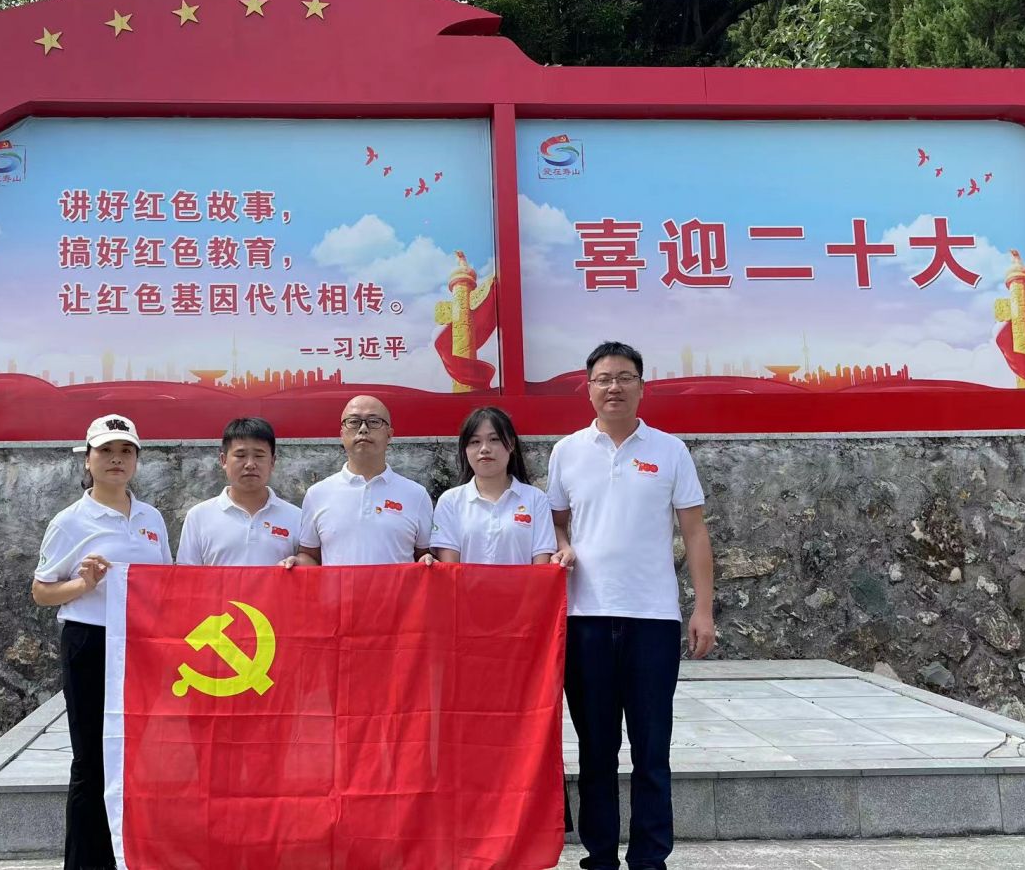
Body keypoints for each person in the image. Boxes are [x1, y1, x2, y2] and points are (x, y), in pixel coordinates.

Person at [547, 342, 715, 870]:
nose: (613, 387)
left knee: (651, 750)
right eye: (603, 378)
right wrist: (564, 546)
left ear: (642, 386)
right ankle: (599, 857)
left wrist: (703, 609)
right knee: (595, 752)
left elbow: (695, 531)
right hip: (586, 620)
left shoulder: (670, 451)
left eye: (624, 377)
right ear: (588, 388)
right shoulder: (567, 452)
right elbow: (555, 522)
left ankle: (649, 859)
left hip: (653, 620)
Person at [31, 414, 170, 870]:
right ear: (87, 459)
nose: (116, 459)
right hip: (91, 642)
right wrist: (83, 585)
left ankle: (136, 855)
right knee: (91, 759)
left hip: (141, 645)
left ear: (136, 460)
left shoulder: (151, 519)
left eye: (126, 451)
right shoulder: (71, 521)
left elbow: (167, 583)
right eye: (106, 451)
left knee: (139, 756)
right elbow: (41, 591)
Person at [289, 395, 434, 567]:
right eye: (354, 422)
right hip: (338, 587)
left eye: (374, 422)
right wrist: (297, 563)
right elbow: (310, 555)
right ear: (342, 434)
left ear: (389, 435)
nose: (363, 429)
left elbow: (424, 555)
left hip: (397, 587)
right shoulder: (317, 494)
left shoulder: (416, 495)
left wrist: (428, 561)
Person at [431, 406, 555, 566]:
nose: (484, 449)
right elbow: (449, 570)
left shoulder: (536, 499)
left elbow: (541, 569)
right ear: (465, 449)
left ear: (511, 444)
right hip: (466, 584)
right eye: (475, 442)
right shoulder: (450, 501)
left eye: (494, 439)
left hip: (524, 584)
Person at [176, 417, 300, 566]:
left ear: (272, 462)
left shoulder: (296, 518)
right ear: (223, 460)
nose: (250, 464)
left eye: (259, 456)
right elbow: (187, 576)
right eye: (240, 455)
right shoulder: (198, 517)